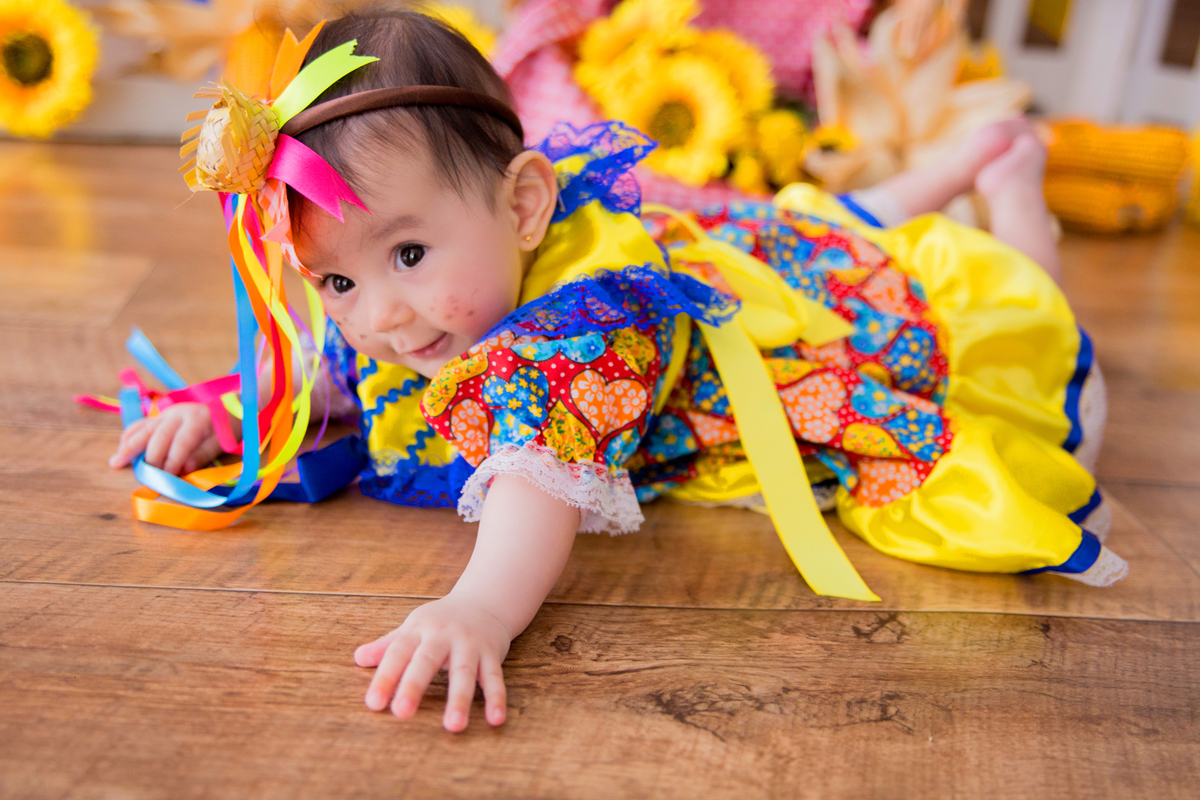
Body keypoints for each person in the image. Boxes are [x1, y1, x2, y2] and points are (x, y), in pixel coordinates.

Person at [107, 10, 1123, 733]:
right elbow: (341, 371)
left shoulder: (575, 339)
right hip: (751, 248)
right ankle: (954, 169)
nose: (379, 314)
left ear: (523, 205)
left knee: (976, 297)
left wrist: (482, 606)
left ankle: (1014, 194)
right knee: (812, 225)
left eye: (408, 255)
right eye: (332, 278)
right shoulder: (424, 296)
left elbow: (535, 478)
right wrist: (239, 410)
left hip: (794, 328)